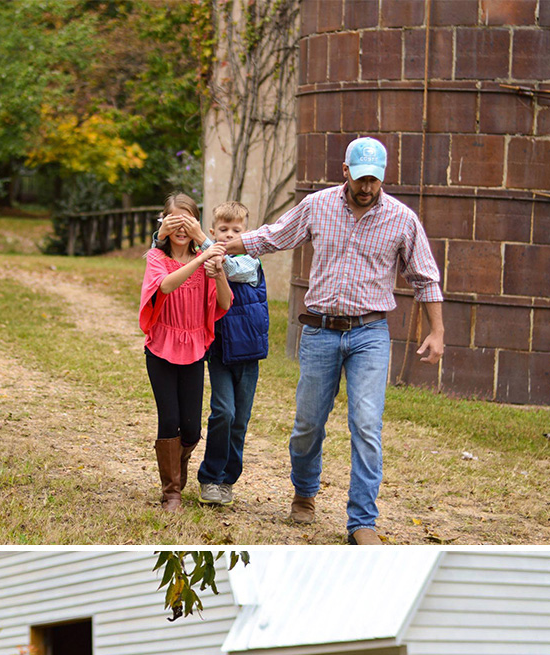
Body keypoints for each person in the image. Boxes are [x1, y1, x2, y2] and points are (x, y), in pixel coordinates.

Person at [218, 137, 444, 545]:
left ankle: (362, 521)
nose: (366, 187)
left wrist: (437, 331)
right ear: (345, 171)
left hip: (370, 334)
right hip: (320, 331)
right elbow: (274, 236)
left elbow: (425, 277)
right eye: (360, 178)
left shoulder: (402, 219)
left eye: (374, 179)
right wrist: (225, 245)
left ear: (383, 177)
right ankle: (304, 492)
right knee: (308, 424)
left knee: (366, 424)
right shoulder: (318, 206)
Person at [139, 191, 232, 513]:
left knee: (191, 428)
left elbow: (224, 303)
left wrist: (217, 270)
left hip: (193, 349)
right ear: (163, 224)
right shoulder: (156, 258)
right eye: (174, 221)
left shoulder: (206, 259)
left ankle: (177, 466)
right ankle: (172, 493)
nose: (181, 229)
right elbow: (165, 285)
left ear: (197, 225)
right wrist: (201, 258)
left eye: (188, 222)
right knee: (169, 420)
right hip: (161, 348)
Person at [197, 202, 268, 507]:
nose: (228, 235)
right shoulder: (207, 256)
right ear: (214, 230)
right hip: (220, 351)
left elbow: (231, 270)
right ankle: (210, 477)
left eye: (236, 230)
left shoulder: (250, 261)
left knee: (240, 420)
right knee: (223, 412)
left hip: (248, 353)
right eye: (223, 230)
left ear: (246, 234)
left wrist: (206, 245)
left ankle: (228, 480)